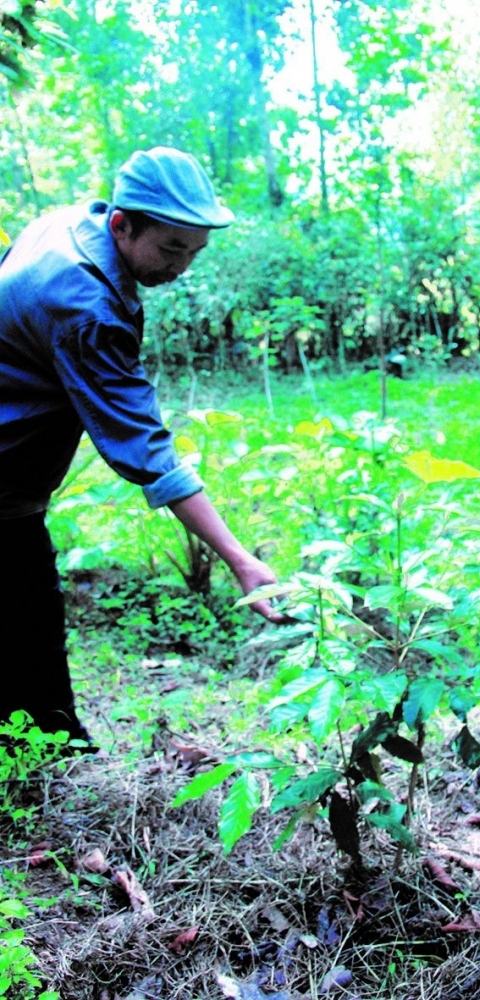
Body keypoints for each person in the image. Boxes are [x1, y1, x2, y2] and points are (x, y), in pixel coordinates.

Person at [0, 146, 284, 749]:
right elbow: (146, 451)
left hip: (14, 489)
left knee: (27, 635)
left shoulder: (66, 223)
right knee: (29, 631)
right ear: (123, 224)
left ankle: (45, 751)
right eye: (172, 247)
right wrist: (241, 560)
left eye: (195, 251)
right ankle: (51, 764)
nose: (183, 266)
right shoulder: (85, 308)